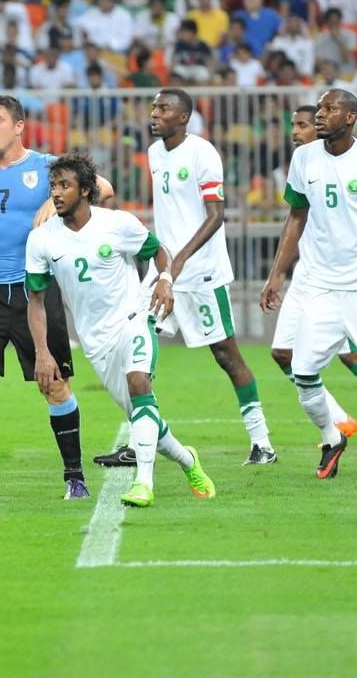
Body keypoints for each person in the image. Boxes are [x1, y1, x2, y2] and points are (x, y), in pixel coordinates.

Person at [0, 93, 111, 501]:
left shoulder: (48, 166)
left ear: (18, 126)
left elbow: (104, 187)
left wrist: (55, 198)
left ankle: (74, 477)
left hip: (36, 291)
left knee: (54, 385)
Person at [98, 88, 276, 468]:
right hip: (164, 274)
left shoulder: (203, 153)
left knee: (227, 356)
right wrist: (165, 267)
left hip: (201, 273)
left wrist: (177, 264)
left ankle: (262, 442)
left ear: (184, 117)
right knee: (137, 341)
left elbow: (216, 216)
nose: (155, 113)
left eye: (164, 108)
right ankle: (138, 438)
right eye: (153, 107)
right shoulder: (154, 153)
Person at [25, 154, 216, 508]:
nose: (56, 193)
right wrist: (42, 350)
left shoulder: (118, 224)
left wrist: (165, 280)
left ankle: (143, 483)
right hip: (95, 341)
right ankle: (188, 460)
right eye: (53, 186)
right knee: (144, 416)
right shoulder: (41, 240)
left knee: (140, 383)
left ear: (85, 190)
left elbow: (159, 251)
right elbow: (35, 300)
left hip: (135, 316)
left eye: (64, 185)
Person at [259, 88, 357, 483]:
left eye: (330, 109)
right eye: (320, 108)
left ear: (350, 117)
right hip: (319, 283)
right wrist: (276, 273)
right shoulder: (303, 158)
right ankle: (332, 436)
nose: (320, 115)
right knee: (303, 370)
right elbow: (296, 217)